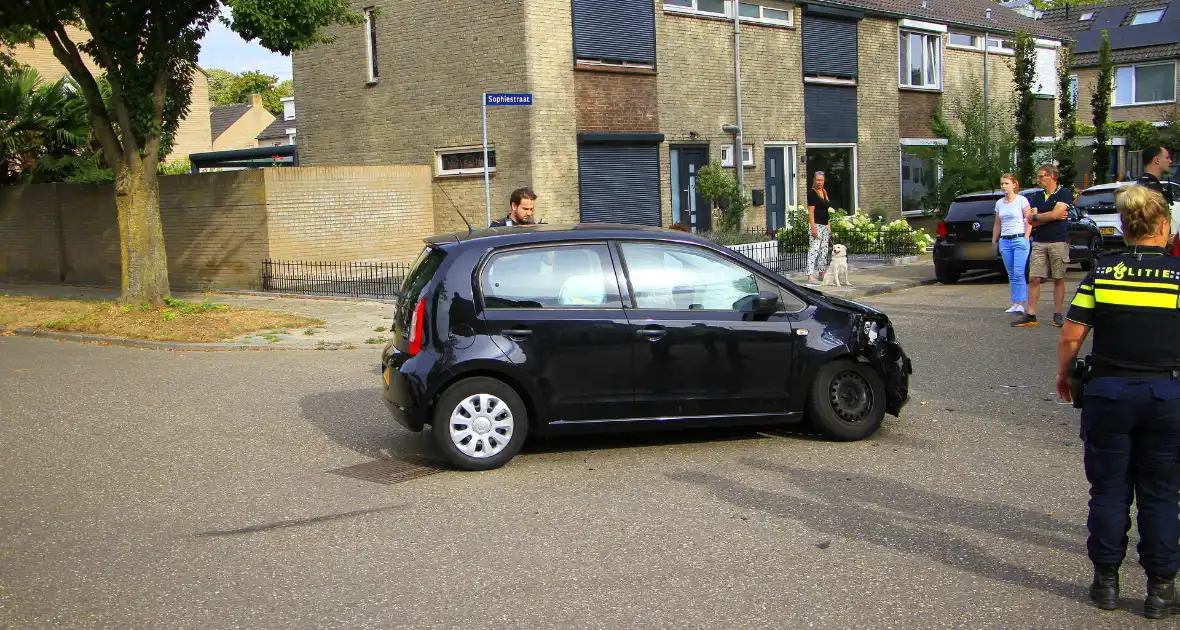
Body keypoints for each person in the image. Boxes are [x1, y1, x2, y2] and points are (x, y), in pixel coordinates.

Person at [1056, 185, 1180, 619]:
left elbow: (1072, 335)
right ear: (1164, 227)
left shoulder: (1103, 273)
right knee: (1161, 493)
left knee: (1108, 490)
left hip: (1109, 393)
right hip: (1166, 395)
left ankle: (1105, 582)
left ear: (1125, 229)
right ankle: (1160, 590)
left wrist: (1064, 374)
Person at [1013, 164, 1073, 328]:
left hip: (1058, 241)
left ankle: (1058, 314)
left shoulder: (1064, 193)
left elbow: (1054, 214)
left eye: (1041, 176)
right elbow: (1032, 220)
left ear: (1052, 176)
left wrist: (1042, 216)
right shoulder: (1037, 196)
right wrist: (1050, 216)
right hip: (1039, 241)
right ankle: (1031, 314)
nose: (1038, 179)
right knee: (1034, 278)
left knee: (1058, 278)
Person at [991, 173, 1033, 314]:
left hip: (1019, 239)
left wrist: (1026, 236)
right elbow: (998, 224)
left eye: (1006, 183)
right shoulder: (999, 203)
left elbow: (1029, 220)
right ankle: (1015, 303)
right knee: (1011, 274)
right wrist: (994, 240)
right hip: (1005, 241)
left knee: (1018, 272)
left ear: (1014, 184)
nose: (1003, 186)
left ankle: (1021, 303)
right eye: (1002, 184)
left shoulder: (1022, 200)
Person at [805, 171, 835, 285]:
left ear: (824, 181)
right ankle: (810, 275)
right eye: (818, 180)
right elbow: (811, 212)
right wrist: (813, 227)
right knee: (814, 250)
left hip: (825, 225)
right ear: (814, 180)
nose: (819, 182)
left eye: (821, 180)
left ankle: (821, 274)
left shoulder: (824, 192)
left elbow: (826, 210)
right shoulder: (812, 194)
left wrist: (829, 224)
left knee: (824, 250)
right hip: (816, 225)